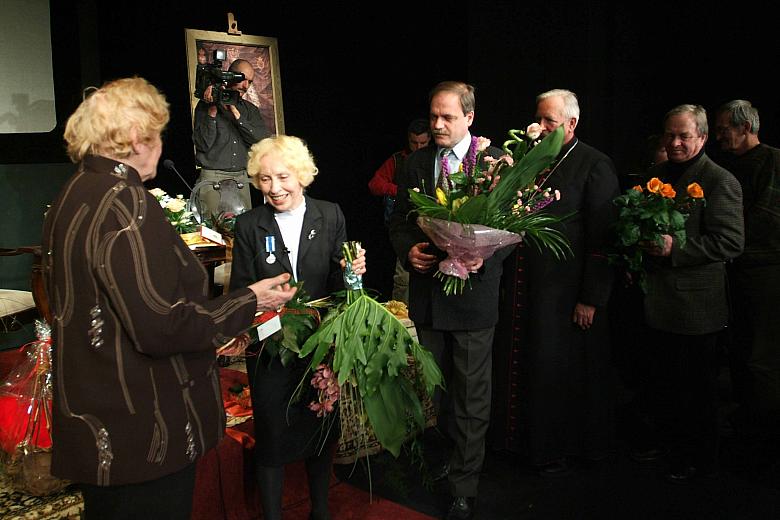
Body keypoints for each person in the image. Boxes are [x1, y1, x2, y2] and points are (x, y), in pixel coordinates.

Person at [40, 77, 296, 520]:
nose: (160, 144)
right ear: (137, 138)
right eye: (158, 133)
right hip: (143, 431)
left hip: (99, 424)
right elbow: (162, 326)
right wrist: (249, 301)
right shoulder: (126, 203)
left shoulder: (73, 193)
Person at [228, 135, 366, 520]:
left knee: (320, 432)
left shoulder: (330, 214)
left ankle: (319, 510)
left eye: (283, 177)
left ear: (303, 176)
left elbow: (342, 289)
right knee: (272, 438)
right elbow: (241, 290)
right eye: (265, 179)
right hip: (271, 348)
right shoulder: (248, 224)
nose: (274, 188)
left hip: (321, 347)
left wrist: (352, 274)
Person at [388, 81, 509, 520]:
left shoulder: (496, 162)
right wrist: (409, 250)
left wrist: (484, 256)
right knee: (436, 393)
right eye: (434, 116)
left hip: (475, 299)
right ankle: (452, 459)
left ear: (469, 118)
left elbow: (516, 228)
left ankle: (464, 484)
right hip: (429, 298)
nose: (437, 125)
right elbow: (399, 222)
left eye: (448, 118)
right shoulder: (416, 162)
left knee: (472, 396)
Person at [639, 104, 744, 482]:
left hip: (696, 307)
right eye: (670, 135)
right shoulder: (655, 173)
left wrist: (676, 250)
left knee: (697, 390)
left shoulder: (720, 180)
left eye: (684, 136)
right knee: (664, 383)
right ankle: (672, 450)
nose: (676, 142)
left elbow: (731, 242)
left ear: (702, 137)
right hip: (656, 300)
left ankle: (700, 460)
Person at [518, 89, 620, 477]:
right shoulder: (531, 160)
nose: (540, 128)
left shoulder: (595, 164)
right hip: (536, 289)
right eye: (539, 119)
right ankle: (536, 448)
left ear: (571, 124)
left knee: (568, 375)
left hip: (570, 295)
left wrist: (591, 298)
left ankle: (565, 451)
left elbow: (603, 239)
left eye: (550, 122)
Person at [713, 100, 780, 429]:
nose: (719, 136)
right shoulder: (728, 166)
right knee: (738, 345)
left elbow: (768, 215)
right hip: (734, 267)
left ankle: (763, 426)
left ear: (746, 127)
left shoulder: (772, 160)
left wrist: (730, 241)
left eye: (725, 129)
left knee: (760, 352)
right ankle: (745, 413)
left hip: (763, 269)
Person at [192, 58, 270, 221]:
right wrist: (212, 111)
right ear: (231, 76)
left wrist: (235, 113)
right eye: (242, 79)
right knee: (212, 231)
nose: (245, 86)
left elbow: (261, 141)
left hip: (241, 178)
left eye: (250, 82)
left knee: (243, 231)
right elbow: (202, 144)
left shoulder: (250, 110)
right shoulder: (205, 106)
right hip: (212, 178)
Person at [368, 117, 431, 303]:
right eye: (414, 143)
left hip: (437, 231)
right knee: (403, 281)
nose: (418, 148)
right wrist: (400, 191)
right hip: (406, 230)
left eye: (423, 143)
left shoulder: (439, 159)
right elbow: (374, 184)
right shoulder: (399, 160)